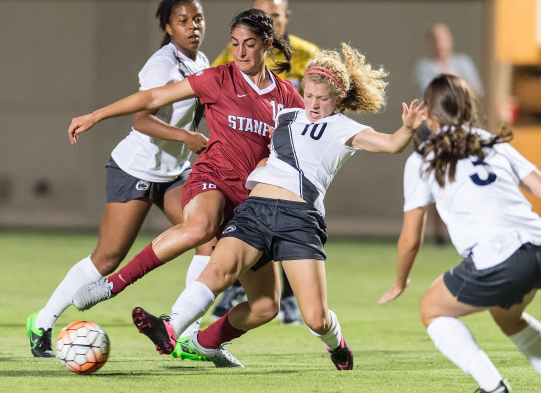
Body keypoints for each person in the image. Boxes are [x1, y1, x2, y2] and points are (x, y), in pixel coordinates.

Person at [127, 44, 426, 369]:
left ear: (338, 98)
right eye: (308, 94)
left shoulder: (345, 128)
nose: (313, 103)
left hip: (299, 222)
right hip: (256, 211)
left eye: (322, 98)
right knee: (218, 271)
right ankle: (170, 329)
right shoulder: (285, 116)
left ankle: (334, 340)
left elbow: (392, 144)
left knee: (315, 318)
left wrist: (408, 128)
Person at [69, 9, 305, 363]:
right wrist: (96, 115)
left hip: (253, 205)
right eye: (235, 43)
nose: (240, 52)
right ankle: (112, 284)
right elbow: (152, 99)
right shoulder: (218, 78)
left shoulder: (287, 97)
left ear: (267, 45)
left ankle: (203, 343)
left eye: (250, 44)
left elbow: (305, 145)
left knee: (266, 306)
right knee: (201, 227)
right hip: (211, 177)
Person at [25, 0, 214, 359]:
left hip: (174, 172)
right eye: (184, 20)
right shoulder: (162, 64)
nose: (193, 27)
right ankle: (42, 321)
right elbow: (141, 119)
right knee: (107, 259)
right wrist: (186, 137)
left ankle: (185, 333)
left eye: (199, 19)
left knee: (208, 240)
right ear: (168, 27)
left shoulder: (201, 60)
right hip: (137, 168)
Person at [379, 74, 541, 392]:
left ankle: (493, 388)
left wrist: (400, 281)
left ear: (429, 112)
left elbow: (410, 240)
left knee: (431, 309)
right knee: (509, 318)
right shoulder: (493, 143)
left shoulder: (423, 158)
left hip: (500, 257)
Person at [211, 0, 319, 325]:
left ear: (285, 17)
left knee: (291, 220)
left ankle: (286, 296)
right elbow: (212, 93)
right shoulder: (237, 54)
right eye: (261, 14)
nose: (267, 21)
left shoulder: (308, 56)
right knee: (241, 219)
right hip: (250, 156)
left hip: (293, 158)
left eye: (273, 15)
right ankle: (237, 287)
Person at [413, 23, 484, 246]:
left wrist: (449, 83)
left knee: (465, 174)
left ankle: (465, 226)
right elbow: (434, 95)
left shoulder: (463, 62)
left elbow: (477, 90)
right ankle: (438, 232)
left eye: (443, 38)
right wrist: (457, 84)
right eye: (435, 39)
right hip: (433, 128)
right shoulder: (424, 66)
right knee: (435, 175)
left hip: (461, 126)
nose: (440, 44)